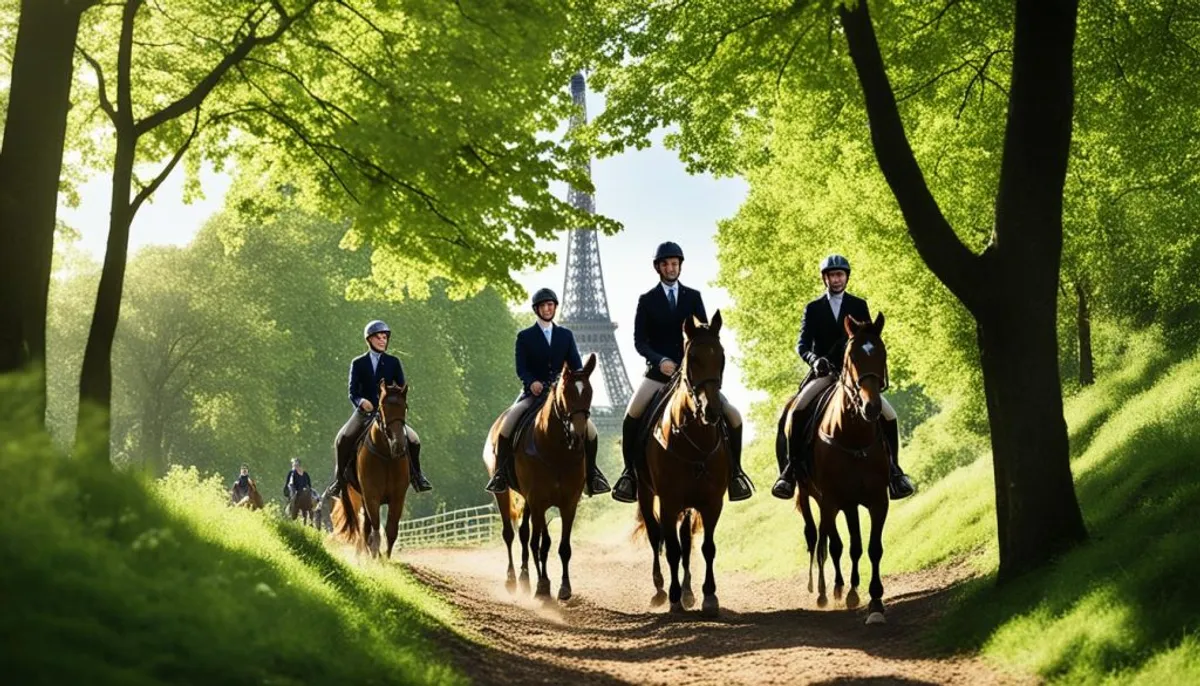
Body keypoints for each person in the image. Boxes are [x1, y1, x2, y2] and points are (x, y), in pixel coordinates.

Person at [610, 241, 753, 503]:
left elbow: (704, 334)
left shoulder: (694, 297)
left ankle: (735, 473)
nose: (670, 268)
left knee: (732, 415)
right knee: (631, 415)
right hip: (659, 374)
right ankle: (629, 475)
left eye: (674, 264)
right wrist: (660, 360)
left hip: (693, 377)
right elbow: (640, 341)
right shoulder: (647, 300)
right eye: (665, 264)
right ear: (658, 268)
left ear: (680, 266)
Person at [771, 254, 915, 500]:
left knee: (889, 415)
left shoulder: (859, 304)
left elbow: (867, 340)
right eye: (832, 275)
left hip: (854, 378)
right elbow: (802, 344)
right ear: (824, 278)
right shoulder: (813, 308)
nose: (837, 279)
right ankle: (790, 472)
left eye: (840, 275)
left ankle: (894, 471)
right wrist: (815, 360)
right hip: (825, 374)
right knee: (796, 411)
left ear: (846, 277)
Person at [485, 288, 610, 496]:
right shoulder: (525, 337)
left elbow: (576, 367)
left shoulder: (566, 335)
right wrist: (531, 381)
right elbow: (521, 368)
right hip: (533, 395)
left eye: (550, 305)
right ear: (537, 309)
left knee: (590, 431)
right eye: (543, 306)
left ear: (555, 307)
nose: (547, 309)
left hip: (562, 396)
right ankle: (501, 474)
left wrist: (570, 382)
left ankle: (592, 474)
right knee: (506, 426)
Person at [326, 320, 432, 500]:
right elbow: (352, 392)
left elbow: (401, 389)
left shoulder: (394, 362)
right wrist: (361, 402)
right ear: (369, 339)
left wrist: (395, 403)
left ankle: (417, 476)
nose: (383, 341)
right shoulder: (358, 363)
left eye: (385, 338)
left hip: (389, 414)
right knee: (342, 438)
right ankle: (339, 481)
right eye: (379, 337)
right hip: (364, 412)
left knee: (414, 440)